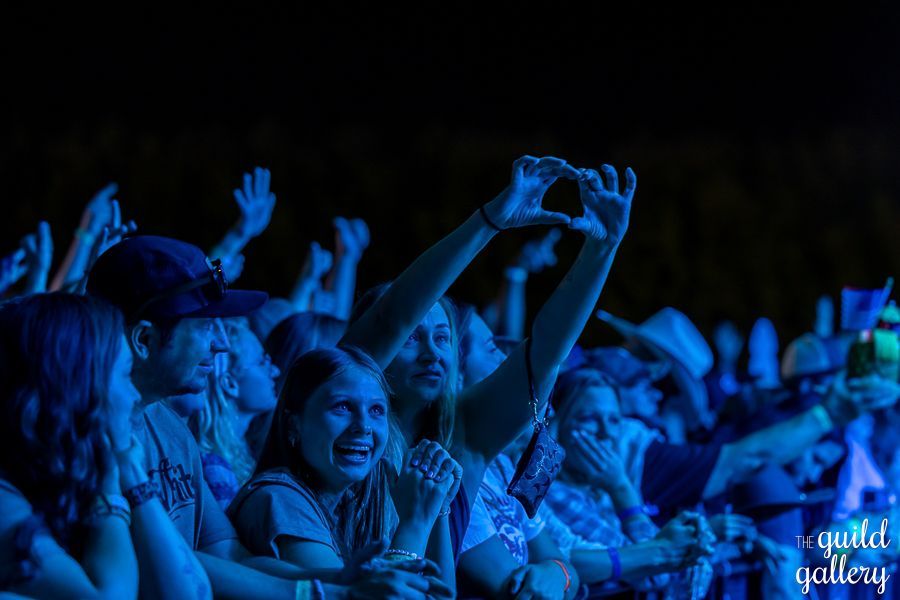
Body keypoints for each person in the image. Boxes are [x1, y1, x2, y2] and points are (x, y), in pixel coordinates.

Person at [86, 235, 437, 600]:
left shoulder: (170, 427)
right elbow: (159, 561)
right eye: (206, 326)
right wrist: (323, 594)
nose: (220, 344)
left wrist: (338, 579)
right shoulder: (83, 440)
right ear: (144, 339)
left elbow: (227, 553)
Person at [342, 156, 637, 559]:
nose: (433, 353)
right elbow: (390, 318)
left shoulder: (459, 430)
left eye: (443, 338)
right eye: (413, 339)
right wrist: (491, 221)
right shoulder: (342, 418)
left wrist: (601, 249)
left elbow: (545, 352)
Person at [0, 293, 210, 599]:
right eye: (126, 375)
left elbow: (192, 593)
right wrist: (110, 490)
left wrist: (132, 473)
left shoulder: (75, 471)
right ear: (78, 388)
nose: (134, 394)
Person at [230, 345, 459, 596]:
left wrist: (437, 508)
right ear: (294, 424)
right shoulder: (278, 499)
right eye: (342, 406)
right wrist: (415, 522)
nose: (363, 426)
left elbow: (441, 595)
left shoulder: (358, 503)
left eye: (376, 410)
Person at [191, 317, 281, 508]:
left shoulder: (237, 450)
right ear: (230, 384)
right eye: (262, 362)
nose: (275, 371)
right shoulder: (214, 469)